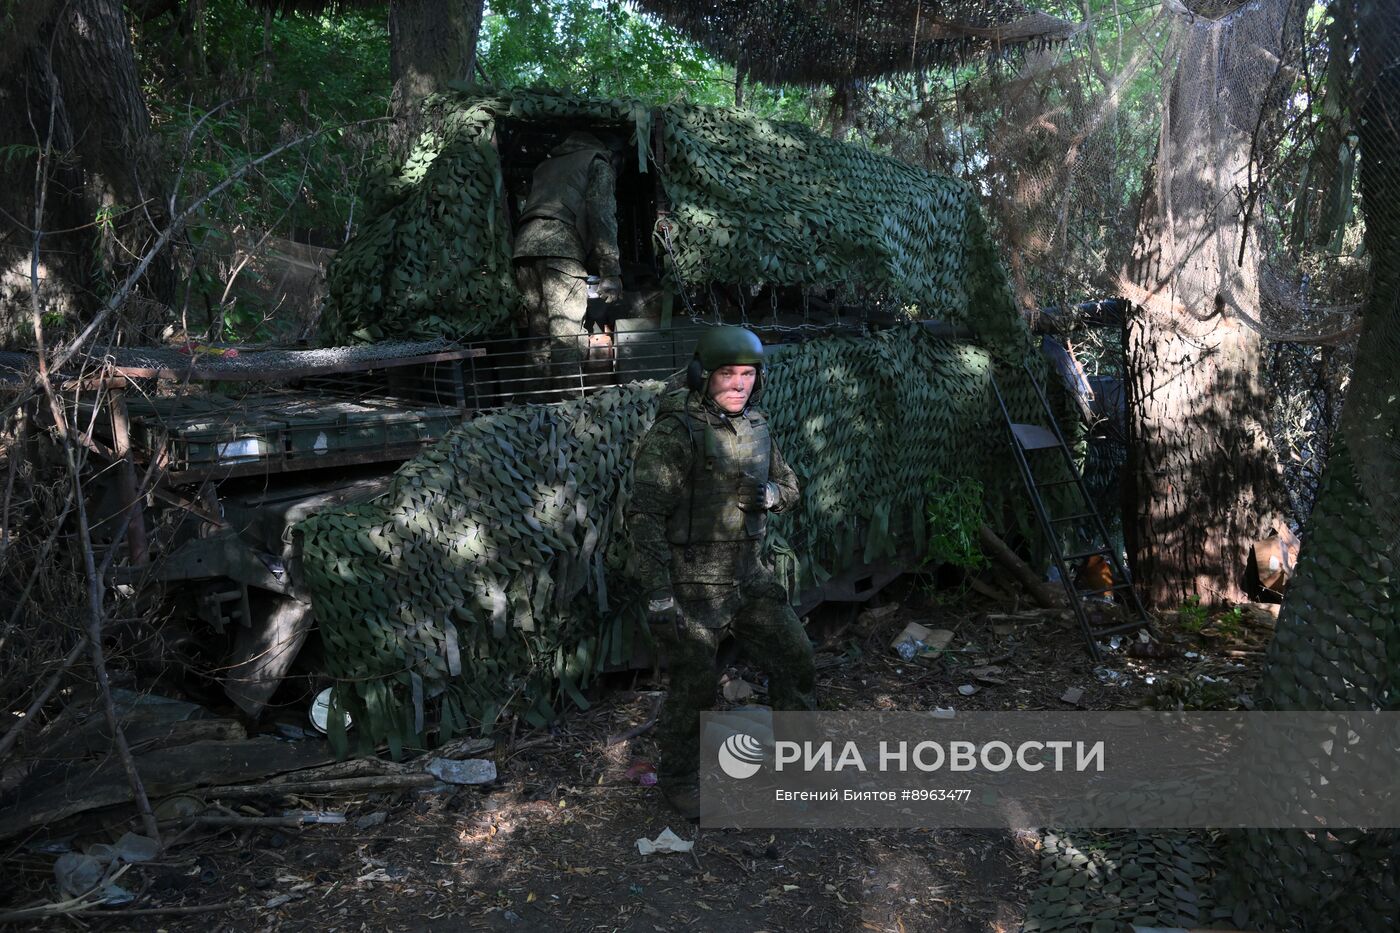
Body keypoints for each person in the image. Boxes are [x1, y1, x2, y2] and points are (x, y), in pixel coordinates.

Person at [625, 326, 817, 819]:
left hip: (748, 577)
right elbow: (644, 516)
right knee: (694, 687)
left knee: (795, 657)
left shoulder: (757, 425)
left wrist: (770, 496)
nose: (738, 384)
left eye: (747, 374)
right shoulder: (676, 433)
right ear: (703, 376)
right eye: (727, 373)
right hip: (692, 585)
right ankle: (679, 779)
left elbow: (791, 486)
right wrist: (659, 594)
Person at [512, 131, 624, 399]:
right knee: (567, 336)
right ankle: (570, 409)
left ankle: (533, 409)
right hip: (560, 249)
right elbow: (602, 216)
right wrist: (610, 271)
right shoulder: (597, 162)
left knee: (540, 335)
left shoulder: (548, 164)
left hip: (524, 250)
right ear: (614, 155)